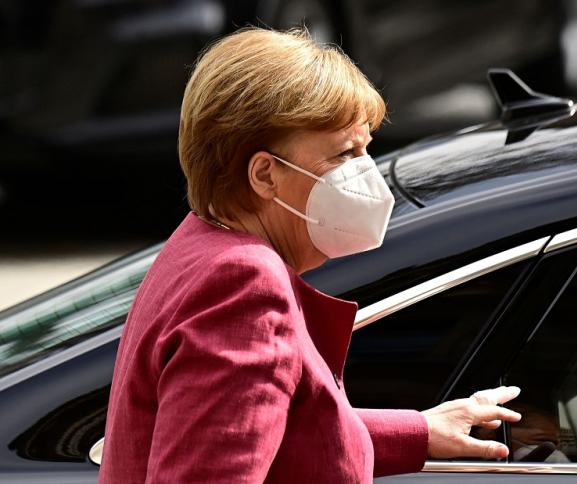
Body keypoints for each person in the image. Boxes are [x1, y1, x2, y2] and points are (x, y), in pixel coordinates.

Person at [98, 27, 521, 483]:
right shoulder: (245, 282)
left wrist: (420, 430)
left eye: (365, 149)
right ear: (265, 175)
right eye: (344, 153)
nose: (365, 172)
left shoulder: (201, 240)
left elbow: (282, 427)